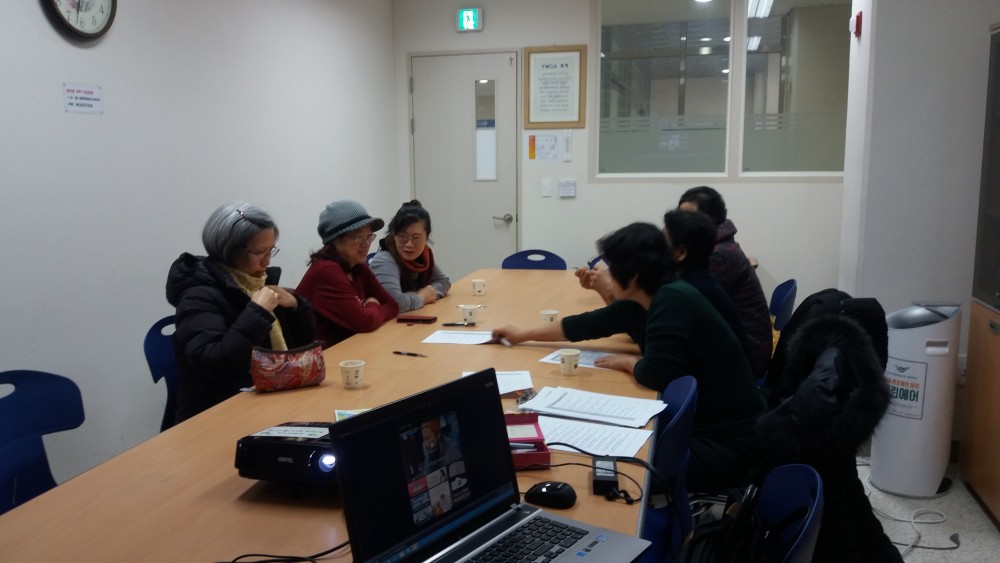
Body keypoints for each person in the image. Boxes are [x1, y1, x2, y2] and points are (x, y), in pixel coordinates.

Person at [493, 222, 766, 491]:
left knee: (615, 471)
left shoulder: (671, 299)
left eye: (613, 268)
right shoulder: (643, 299)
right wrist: (522, 334)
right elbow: (584, 325)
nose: (607, 273)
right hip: (703, 427)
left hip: (726, 441)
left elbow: (656, 374)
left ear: (633, 276)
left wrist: (629, 363)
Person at [166, 202, 316, 423]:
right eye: (260, 252)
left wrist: (296, 306)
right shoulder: (197, 297)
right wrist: (257, 312)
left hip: (269, 396)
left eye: (271, 250)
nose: (268, 260)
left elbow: (301, 341)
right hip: (219, 414)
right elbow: (214, 364)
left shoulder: (257, 283)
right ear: (229, 251)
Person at [678, 186, 772, 379]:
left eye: (689, 217)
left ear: (710, 219)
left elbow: (681, 305)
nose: (681, 223)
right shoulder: (714, 245)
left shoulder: (717, 254)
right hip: (737, 346)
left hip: (746, 356)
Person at [296, 199, 399, 347]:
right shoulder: (327, 271)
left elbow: (392, 305)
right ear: (335, 239)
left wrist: (370, 311)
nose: (366, 244)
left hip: (351, 347)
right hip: (323, 355)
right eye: (359, 237)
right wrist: (373, 304)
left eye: (369, 236)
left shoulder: (357, 267)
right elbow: (366, 322)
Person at [370, 200, 451, 313]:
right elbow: (395, 303)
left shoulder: (423, 257)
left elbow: (443, 282)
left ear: (426, 237)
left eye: (416, 237)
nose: (409, 244)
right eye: (402, 236)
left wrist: (425, 294)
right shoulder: (384, 260)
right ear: (394, 235)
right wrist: (422, 297)